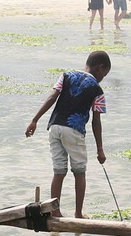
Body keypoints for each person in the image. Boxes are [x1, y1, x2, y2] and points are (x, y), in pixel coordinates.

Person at [24, 50, 110, 218]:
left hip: (54, 127)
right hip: (74, 130)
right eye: (104, 75)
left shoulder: (66, 76)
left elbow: (52, 97)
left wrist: (35, 120)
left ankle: (55, 212)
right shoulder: (97, 90)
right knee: (79, 171)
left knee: (59, 171)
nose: (102, 78)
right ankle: (78, 213)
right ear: (101, 68)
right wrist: (100, 149)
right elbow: (96, 122)